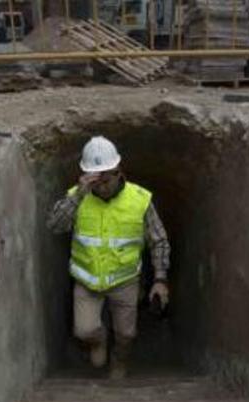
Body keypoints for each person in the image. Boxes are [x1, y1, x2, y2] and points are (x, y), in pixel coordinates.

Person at [47, 136, 171, 379]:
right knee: (84, 331)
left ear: (118, 172)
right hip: (87, 279)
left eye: (106, 178)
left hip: (125, 280)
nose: (101, 186)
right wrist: (78, 196)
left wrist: (160, 279)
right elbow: (55, 225)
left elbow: (159, 240)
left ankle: (119, 360)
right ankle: (99, 341)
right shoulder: (78, 196)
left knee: (126, 334)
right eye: (96, 179)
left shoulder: (140, 200)